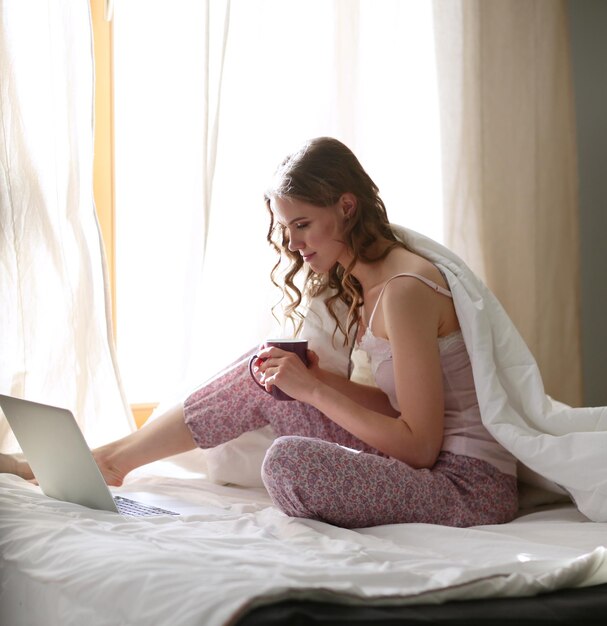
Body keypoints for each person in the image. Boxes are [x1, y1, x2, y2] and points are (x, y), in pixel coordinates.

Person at [0, 137, 518, 528]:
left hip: (467, 486)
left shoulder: (403, 290)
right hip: (429, 463)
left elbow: (421, 446)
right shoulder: (369, 279)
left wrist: (314, 390)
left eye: (302, 225)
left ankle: (104, 460)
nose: (292, 244)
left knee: (288, 462)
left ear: (346, 205)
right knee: (266, 369)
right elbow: (400, 408)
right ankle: (108, 460)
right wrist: (319, 382)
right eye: (285, 227)